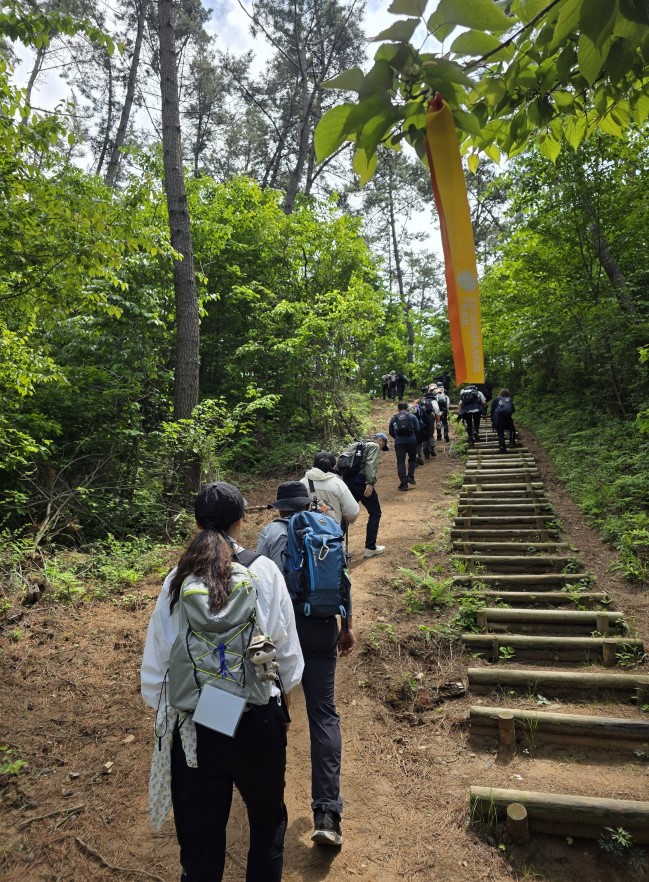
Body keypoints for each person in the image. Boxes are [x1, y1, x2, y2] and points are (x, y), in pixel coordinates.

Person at [141, 481, 304, 882]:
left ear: (197, 523)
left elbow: (156, 669)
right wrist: (277, 700)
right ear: (241, 521)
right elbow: (288, 656)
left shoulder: (175, 580)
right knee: (266, 825)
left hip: (195, 729)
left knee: (201, 837)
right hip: (256, 718)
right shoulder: (264, 571)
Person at [257, 481, 355, 849]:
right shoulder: (326, 528)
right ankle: (327, 813)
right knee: (324, 715)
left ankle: (268, 806)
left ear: (280, 508)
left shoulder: (269, 533)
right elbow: (343, 581)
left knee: (272, 709)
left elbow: (256, 585)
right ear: (307, 504)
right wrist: (347, 628)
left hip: (280, 632)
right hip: (319, 628)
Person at [338, 434, 387, 557]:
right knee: (375, 512)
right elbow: (371, 463)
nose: (381, 449)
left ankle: (335, 544)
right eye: (383, 446)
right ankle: (370, 547)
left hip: (348, 481)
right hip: (361, 482)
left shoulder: (356, 445)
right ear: (380, 440)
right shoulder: (373, 445)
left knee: (346, 515)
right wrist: (370, 483)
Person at [301, 452, 360, 526]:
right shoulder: (338, 483)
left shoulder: (302, 483)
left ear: (314, 466)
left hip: (307, 532)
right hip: (332, 532)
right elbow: (352, 513)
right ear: (334, 466)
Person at [388, 401, 419, 491]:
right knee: (412, 459)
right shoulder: (412, 416)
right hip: (411, 440)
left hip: (399, 441)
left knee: (400, 462)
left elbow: (390, 431)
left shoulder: (394, 418)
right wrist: (414, 438)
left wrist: (397, 437)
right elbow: (417, 429)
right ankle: (410, 477)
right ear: (407, 408)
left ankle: (404, 484)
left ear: (398, 409)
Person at [491, 388, 516, 453]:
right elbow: (513, 410)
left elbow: (492, 411)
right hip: (508, 419)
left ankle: (502, 449)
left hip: (499, 419)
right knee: (512, 430)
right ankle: (512, 443)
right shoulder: (509, 400)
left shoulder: (496, 400)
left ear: (500, 393)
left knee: (500, 434)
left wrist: (493, 421)